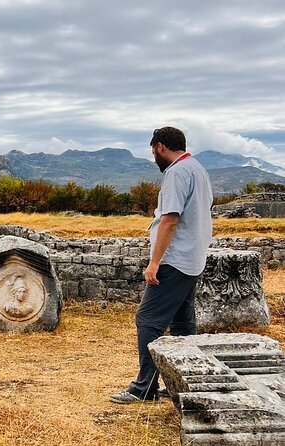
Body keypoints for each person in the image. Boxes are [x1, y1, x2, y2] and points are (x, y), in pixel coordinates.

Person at [110, 126, 213, 404]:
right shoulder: (197, 169)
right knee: (182, 324)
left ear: (160, 147)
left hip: (174, 260)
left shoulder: (177, 173)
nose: (153, 156)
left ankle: (145, 387)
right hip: (193, 258)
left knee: (148, 320)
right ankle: (184, 381)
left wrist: (154, 262)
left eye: (153, 150)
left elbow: (170, 219)